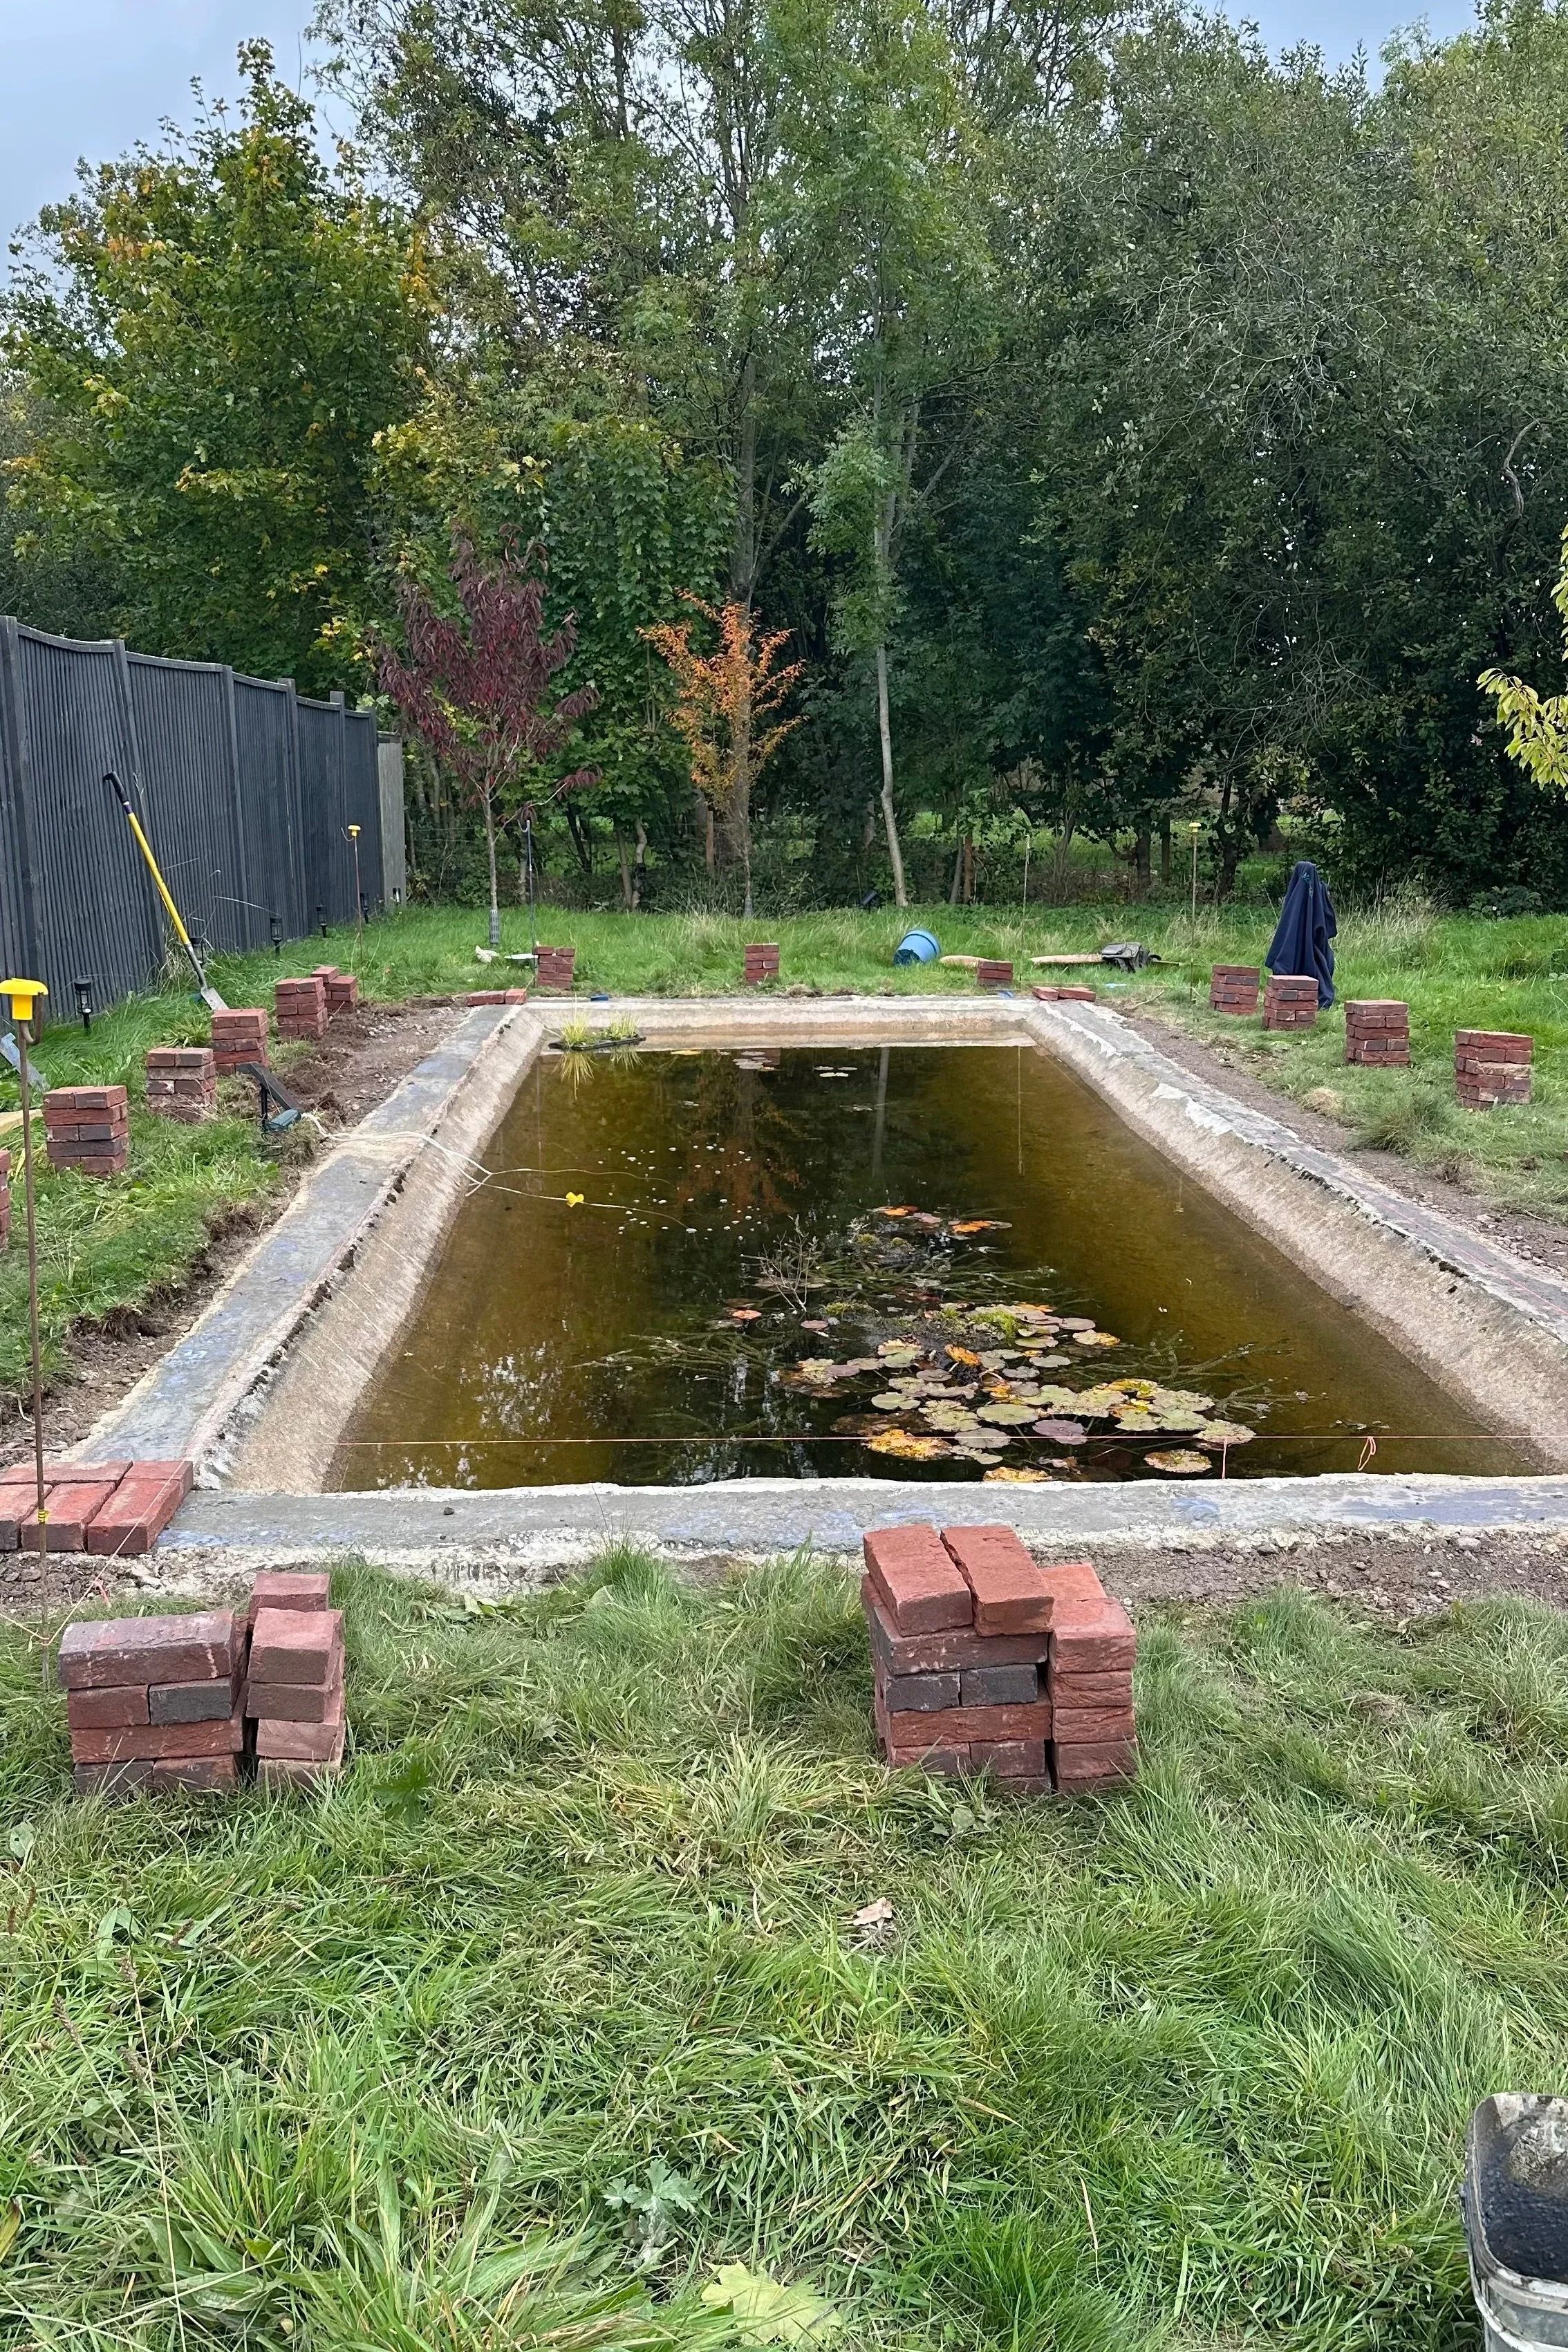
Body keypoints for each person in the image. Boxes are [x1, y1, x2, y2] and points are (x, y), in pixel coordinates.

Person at [1266, 859, 1337, 1007]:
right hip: (1312, 944)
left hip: (1311, 945)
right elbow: (1325, 926)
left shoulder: (1302, 895)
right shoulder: (1317, 892)